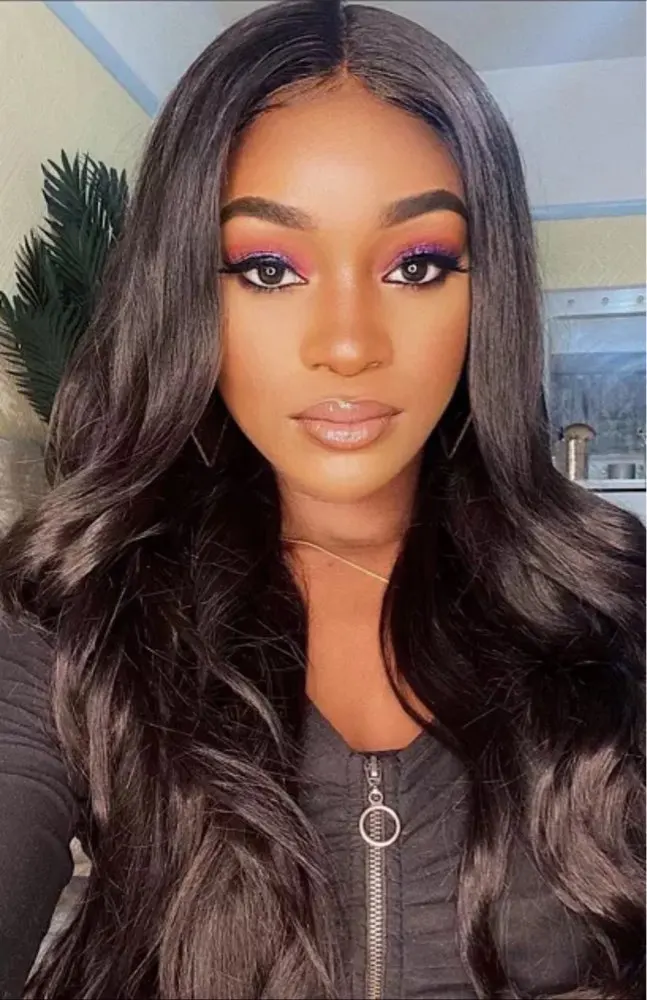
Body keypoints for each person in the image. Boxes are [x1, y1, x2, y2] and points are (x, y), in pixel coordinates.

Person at [0, 1, 644, 997]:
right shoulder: (77, 607)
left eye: (416, 265)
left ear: (487, 291)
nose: (348, 344)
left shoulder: (608, 604)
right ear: (188, 292)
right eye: (268, 268)